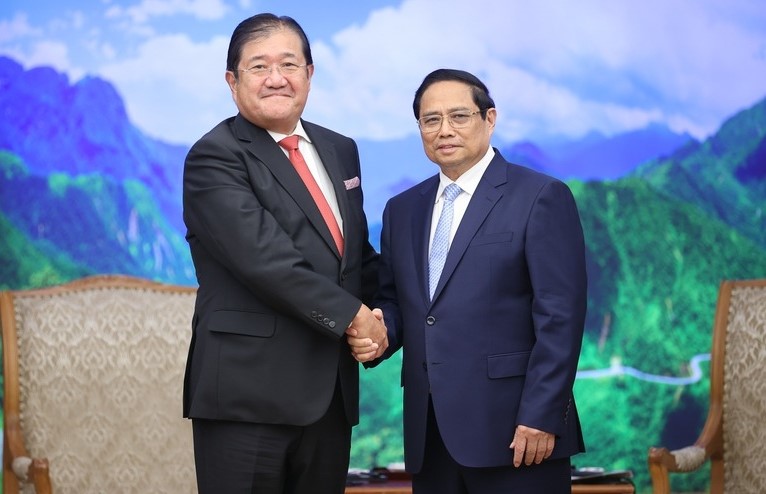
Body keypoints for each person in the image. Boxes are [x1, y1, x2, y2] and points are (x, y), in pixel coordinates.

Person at [353, 68, 587, 493]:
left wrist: (541, 414)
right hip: (430, 435)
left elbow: (561, 317)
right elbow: (399, 303)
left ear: (490, 119)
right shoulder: (401, 210)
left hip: (518, 435)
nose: (445, 130)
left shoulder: (540, 196)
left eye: (459, 116)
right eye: (431, 119)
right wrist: (380, 333)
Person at [182, 13, 387, 494]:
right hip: (246, 398)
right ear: (233, 82)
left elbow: (356, 257)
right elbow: (266, 262)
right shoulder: (214, 156)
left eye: (289, 64)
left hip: (330, 398)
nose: (277, 78)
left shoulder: (341, 149)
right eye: (258, 67)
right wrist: (357, 319)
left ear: (310, 74)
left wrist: (390, 323)